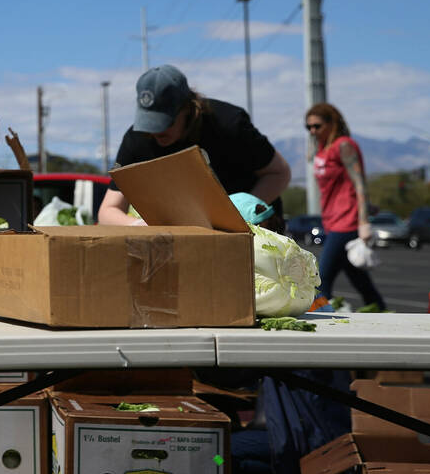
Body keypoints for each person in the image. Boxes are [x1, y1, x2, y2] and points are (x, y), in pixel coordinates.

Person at [98, 64, 290, 227]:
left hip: (253, 231)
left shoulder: (228, 123)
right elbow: (108, 210)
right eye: (149, 123)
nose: (156, 132)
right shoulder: (137, 138)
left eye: (166, 122)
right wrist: (142, 227)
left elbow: (279, 173)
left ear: (188, 108)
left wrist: (239, 215)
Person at [305, 103, 386, 311]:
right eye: (309, 127)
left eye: (317, 125)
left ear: (333, 123)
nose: (313, 131)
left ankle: (320, 323)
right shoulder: (322, 149)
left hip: (347, 222)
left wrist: (364, 220)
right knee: (360, 281)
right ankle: (383, 312)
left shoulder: (344, 145)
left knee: (320, 281)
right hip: (332, 221)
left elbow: (359, 182)